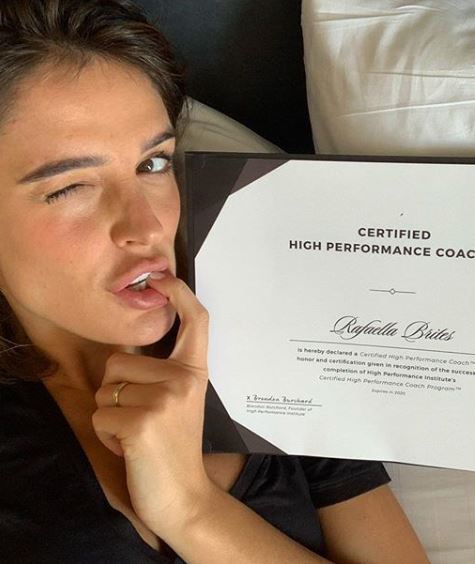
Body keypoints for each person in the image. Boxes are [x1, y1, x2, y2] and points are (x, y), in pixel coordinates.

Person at [0, 1, 427, 561]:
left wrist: (190, 508)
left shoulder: (285, 349)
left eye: (152, 164)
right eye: (69, 187)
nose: (147, 226)